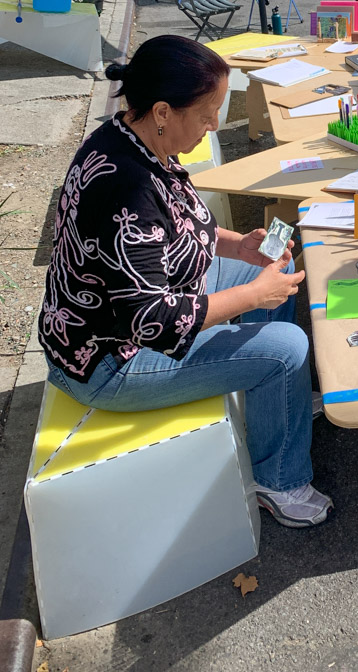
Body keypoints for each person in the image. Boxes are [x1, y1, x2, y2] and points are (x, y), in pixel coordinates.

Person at [39, 36, 333, 527]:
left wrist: (238, 245)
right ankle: (278, 480)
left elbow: (177, 225)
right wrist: (251, 294)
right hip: (108, 362)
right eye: (206, 114)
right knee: (288, 347)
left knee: (269, 273)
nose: (214, 124)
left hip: (147, 305)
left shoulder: (132, 138)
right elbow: (156, 322)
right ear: (161, 110)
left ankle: (275, 406)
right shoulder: (122, 189)